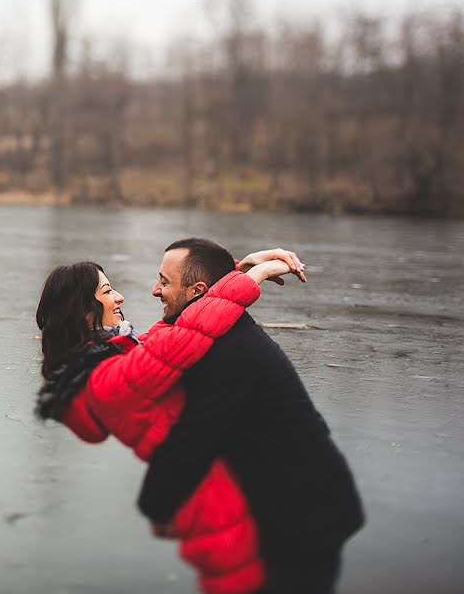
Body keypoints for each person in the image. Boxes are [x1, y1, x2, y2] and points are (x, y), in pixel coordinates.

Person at [35, 248, 307, 594]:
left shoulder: (112, 355)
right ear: (85, 312)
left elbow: (174, 325)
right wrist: (254, 276)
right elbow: (191, 332)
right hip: (215, 511)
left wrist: (238, 267)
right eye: (106, 292)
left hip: (227, 495)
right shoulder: (109, 379)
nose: (119, 297)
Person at [137, 238, 365, 594]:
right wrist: (242, 270)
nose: (155, 290)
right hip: (282, 509)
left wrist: (156, 503)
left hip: (305, 520)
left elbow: (193, 439)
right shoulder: (215, 331)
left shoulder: (227, 352)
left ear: (197, 291)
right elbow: (184, 324)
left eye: (165, 282)